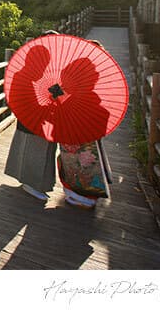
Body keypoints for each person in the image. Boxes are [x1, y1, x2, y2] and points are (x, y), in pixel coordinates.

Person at [56, 40, 112, 209]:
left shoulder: (76, 71)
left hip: (73, 133)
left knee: (72, 164)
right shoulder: (94, 90)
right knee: (87, 164)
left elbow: (61, 99)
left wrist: (58, 94)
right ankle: (89, 197)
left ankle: (79, 197)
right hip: (88, 133)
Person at [4, 33, 59, 202]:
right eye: (43, 63)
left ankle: (36, 183)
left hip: (38, 121)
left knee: (41, 152)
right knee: (35, 153)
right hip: (33, 121)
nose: (44, 67)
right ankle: (32, 184)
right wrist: (50, 102)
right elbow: (28, 102)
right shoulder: (25, 77)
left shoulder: (38, 76)